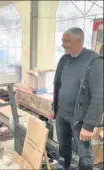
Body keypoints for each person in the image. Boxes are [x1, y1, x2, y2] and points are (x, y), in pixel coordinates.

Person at [52, 27, 103, 170]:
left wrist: (88, 125)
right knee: (63, 146)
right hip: (62, 114)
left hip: (80, 118)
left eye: (66, 41)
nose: (62, 44)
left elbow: (99, 96)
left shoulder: (95, 62)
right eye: (62, 41)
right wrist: (55, 107)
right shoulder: (64, 59)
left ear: (78, 41)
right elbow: (59, 85)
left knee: (84, 155)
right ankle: (64, 167)